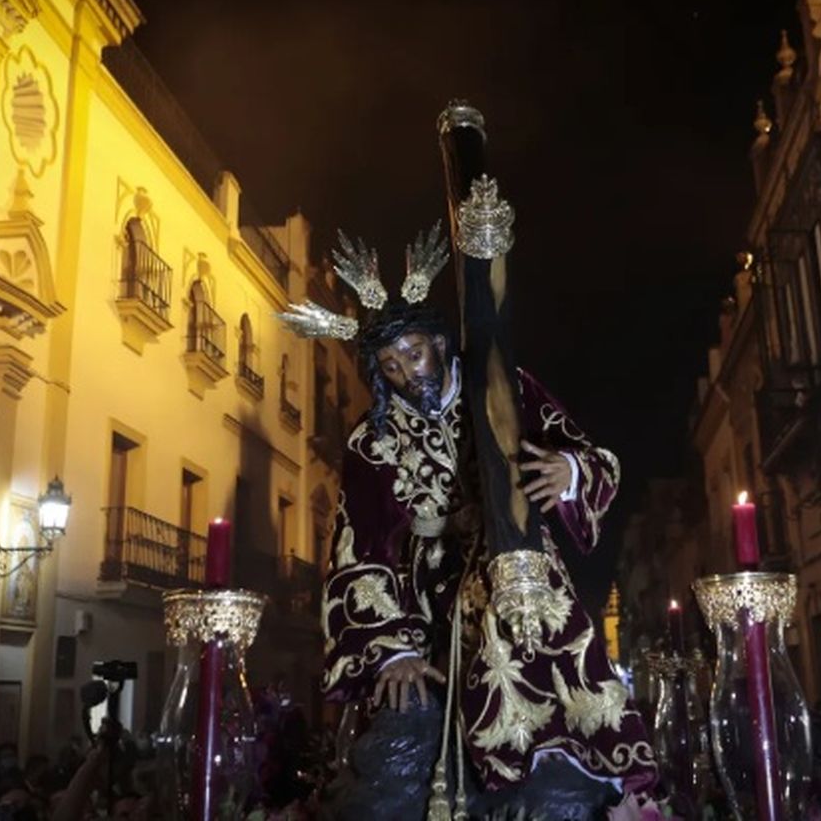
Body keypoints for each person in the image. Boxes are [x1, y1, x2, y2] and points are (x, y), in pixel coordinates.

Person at [278, 225, 654, 816]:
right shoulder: (370, 441)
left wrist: (569, 471)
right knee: (404, 734)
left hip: (513, 572)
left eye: (414, 354)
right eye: (391, 367)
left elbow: (590, 456)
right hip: (421, 604)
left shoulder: (505, 390)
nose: (408, 374)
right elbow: (359, 548)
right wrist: (391, 649)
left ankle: (562, 778)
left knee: (546, 702)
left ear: (438, 341)